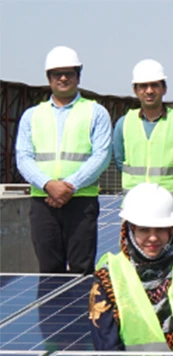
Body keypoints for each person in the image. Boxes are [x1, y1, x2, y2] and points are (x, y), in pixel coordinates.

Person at [89, 183, 173, 351]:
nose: (153, 238)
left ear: (171, 231)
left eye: (160, 229)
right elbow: (106, 346)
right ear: (130, 231)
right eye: (144, 230)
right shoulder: (108, 275)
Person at [16, 46, 111, 274]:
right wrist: (49, 185)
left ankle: (83, 312)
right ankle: (48, 311)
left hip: (81, 202)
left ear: (78, 75)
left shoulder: (95, 112)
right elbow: (23, 156)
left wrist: (69, 187)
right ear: (48, 78)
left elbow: (102, 155)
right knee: (49, 270)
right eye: (57, 73)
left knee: (81, 269)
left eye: (69, 72)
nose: (63, 78)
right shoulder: (32, 115)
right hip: (43, 202)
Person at [113, 59, 173, 248]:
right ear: (135, 90)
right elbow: (120, 163)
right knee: (132, 262)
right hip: (135, 209)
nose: (149, 91)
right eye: (143, 86)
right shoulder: (124, 124)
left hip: (171, 211)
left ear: (164, 88)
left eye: (154, 85)